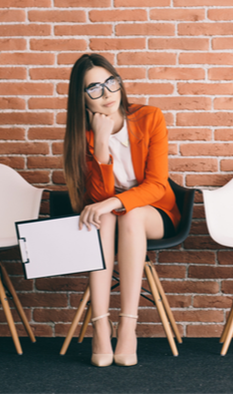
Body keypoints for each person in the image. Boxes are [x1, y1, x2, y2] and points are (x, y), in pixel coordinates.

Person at [63, 53, 180, 367]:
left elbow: (157, 185)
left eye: (111, 83)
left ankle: (128, 325)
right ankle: (101, 326)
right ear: (82, 100)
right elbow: (97, 195)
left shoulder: (150, 117)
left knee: (125, 212)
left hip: (154, 212)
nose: (107, 94)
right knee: (102, 217)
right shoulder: (82, 136)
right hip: (108, 219)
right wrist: (101, 143)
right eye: (95, 89)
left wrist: (115, 202)